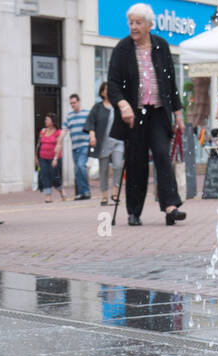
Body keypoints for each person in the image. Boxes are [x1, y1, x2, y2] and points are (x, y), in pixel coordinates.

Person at [107, 3, 185, 226]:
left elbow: (170, 82)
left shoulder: (161, 46)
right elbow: (112, 84)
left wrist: (178, 113)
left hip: (159, 112)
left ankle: (170, 206)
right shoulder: (122, 49)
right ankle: (134, 211)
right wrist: (123, 104)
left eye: (138, 23)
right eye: (131, 22)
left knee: (162, 154)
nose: (133, 27)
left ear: (150, 25)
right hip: (134, 115)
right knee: (136, 162)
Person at [87, 81, 123, 206]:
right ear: (102, 92)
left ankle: (115, 192)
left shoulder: (119, 105)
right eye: (106, 89)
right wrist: (92, 135)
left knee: (118, 165)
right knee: (103, 170)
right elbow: (91, 122)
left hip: (118, 141)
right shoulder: (98, 107)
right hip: (103, 142)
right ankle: (103, 195)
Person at [61, 93, 92, 200]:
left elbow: (92, 127)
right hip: (75, 146)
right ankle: (81, 193)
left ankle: (87, 191)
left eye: (74, 102)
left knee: (80, 165)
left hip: (85, 144)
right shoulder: (69, 116)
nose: (72, 105)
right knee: (77, 169)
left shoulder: (87, 113)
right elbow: (64, 129)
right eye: (71, 103)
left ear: (79, 102)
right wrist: (58, 142)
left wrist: (93, 138)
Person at [37, 113, 63, 203]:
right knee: (45, 176)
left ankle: (61, 190)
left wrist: (55, 158)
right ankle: (48, 196)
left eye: (47, 119)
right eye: (45, 120)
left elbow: (59, 145)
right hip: (43, 157)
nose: (46, 121)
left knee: (54, 177)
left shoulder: (58, 132)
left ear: (53, 121)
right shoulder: (43, 131)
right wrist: (36, 157)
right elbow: (39, 144)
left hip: (54, 158)